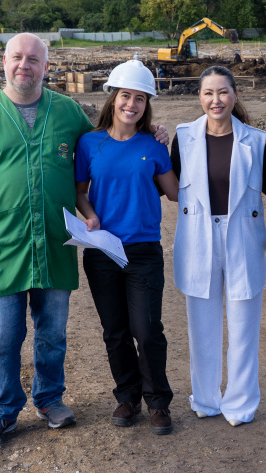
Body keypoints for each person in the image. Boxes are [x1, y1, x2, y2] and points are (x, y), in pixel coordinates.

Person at [0, 33, 91, 446]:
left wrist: (153, 130)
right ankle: (3, 411)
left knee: (53, 333)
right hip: (1, 248)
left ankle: (49, 399)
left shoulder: (68, 113)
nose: (24, 65)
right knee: (1, 336)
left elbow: (107, 142)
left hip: (55, 243)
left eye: (33, 59)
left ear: (47, 66)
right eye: (17, 58)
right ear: (3, 62)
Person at [74, 59, 179, 435]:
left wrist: (173, 144)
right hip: (101, 250)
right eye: (125, 96)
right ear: (112, 98)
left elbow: (174, 192)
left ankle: (158, 402)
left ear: (146, 104)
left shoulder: (153, 144)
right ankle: (127, 396)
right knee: (115, 330)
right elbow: (81, 193)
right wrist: (90, 216)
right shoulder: (89, 143)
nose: (131, 104)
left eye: (139, 98)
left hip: (143, 251)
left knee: (147, 329)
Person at [170, 66, 266, 428]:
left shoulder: (256, 141)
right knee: (202, 326)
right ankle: (205, 398)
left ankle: (241, 403)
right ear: (199, 97)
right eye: (208, 93)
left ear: (234, 95)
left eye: (222, 92)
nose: (215, 100)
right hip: (198, 237)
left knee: (245, 326)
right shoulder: (182, 138)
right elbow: (167, 181)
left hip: (241, 236)